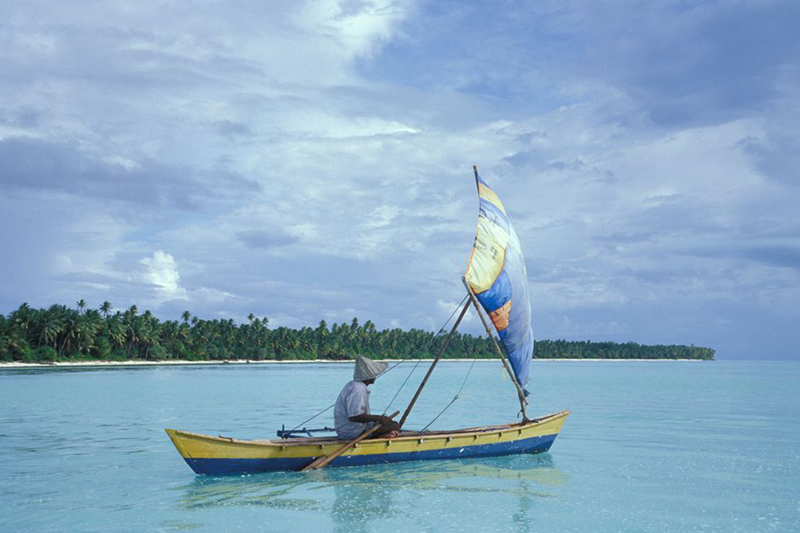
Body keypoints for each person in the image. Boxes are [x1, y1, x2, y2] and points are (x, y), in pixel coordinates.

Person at [334, 356, 400, 440]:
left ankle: (383, 434)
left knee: (390, 423)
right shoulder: (357, 389)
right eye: (374, 374)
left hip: (352, 429)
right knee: (395, 425)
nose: (375, 376)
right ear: (368, 376)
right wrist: (379, 418)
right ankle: (379, 436)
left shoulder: (354, 385)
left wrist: (377, 420)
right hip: (351, 432)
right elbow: (354, 417)